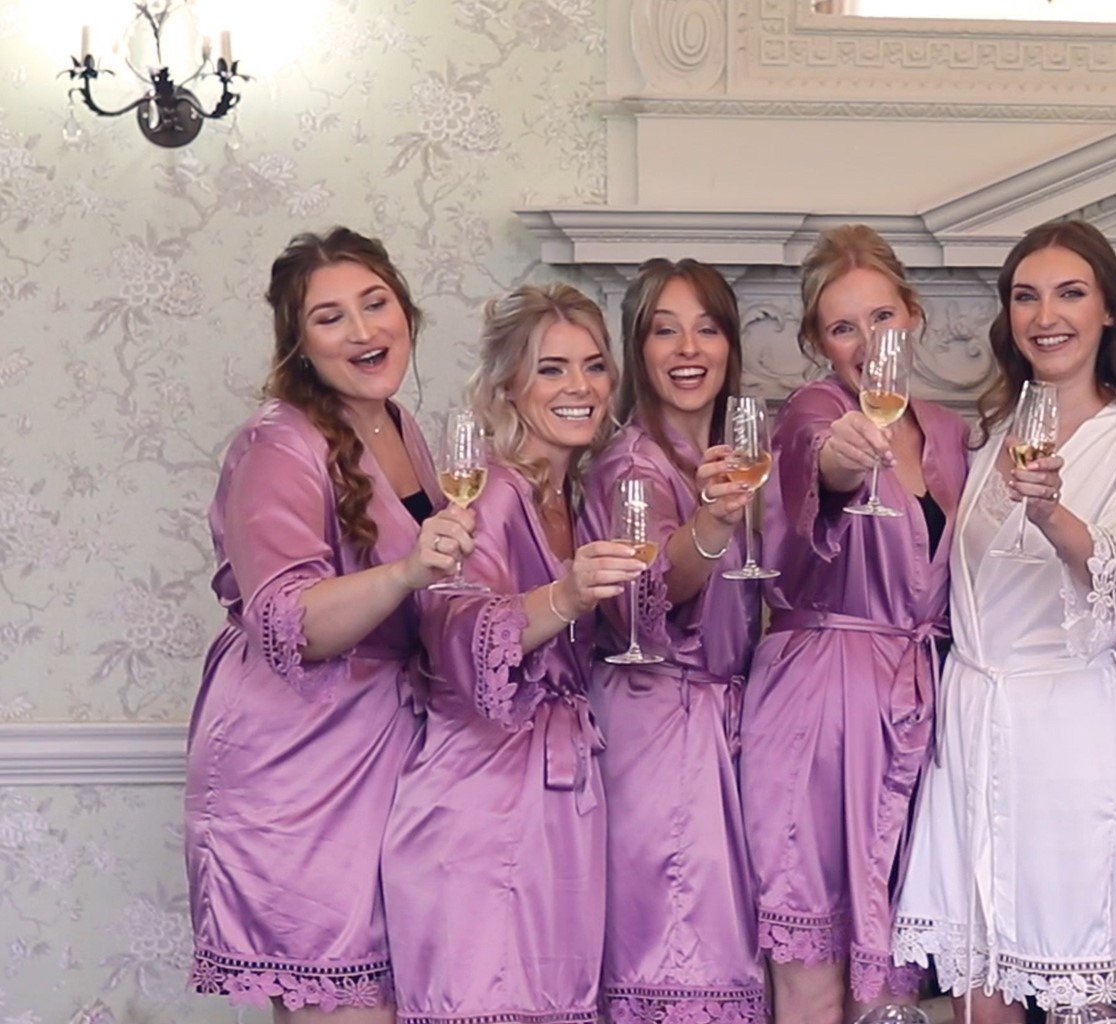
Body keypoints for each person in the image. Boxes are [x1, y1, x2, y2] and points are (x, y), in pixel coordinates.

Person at [892, 219, 1116, 1020]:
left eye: (1069, 293)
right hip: (974, 721)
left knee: (1073, 981)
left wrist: (1054, 512)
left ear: (1108, 313)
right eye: (1026, 296)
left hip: (1072, 728)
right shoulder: (989, 441)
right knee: (979, 978)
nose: (1045, 314)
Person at [187, 228, 469, 1020]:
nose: (363, 331)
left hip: (383, 752)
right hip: (300, 765)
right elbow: (287, 622)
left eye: (376, 304)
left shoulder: (403, 427)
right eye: (330, 317)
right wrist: (413, 569)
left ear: (407, 312)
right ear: (300, 346)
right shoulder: (278, 442)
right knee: (342, 1005)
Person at [385, 284, 642, 1024]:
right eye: (553, 369)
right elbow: (453, 625)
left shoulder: (579, 496)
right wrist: (564, 596)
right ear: (508, 386)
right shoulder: (489, 493)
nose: (580, 388)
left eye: (594, 368)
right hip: (478, 797)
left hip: (558, 796)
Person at [746, 225, 970, 1024]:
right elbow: (818, 463)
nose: (868, 342)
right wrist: (843, 459)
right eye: (843, 327)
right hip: (817, 706)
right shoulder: (815, 410)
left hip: (914, 705)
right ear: (818, 342)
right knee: (814, 957)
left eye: (881, 317)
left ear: (912, 314)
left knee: (893, 978)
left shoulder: (948, 431)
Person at [581, 258, 767, 1022]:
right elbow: (643, 597)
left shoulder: (737, 457)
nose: (688, 348)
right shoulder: (629, 465)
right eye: (665, 330)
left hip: (724, 728)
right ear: (638, 349)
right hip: (658, 727)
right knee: (676, 961)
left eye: (706, 327)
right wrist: (713, 527)